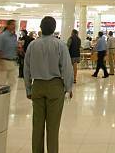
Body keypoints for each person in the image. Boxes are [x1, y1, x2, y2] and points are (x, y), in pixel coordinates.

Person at [24, 16, 73, 153]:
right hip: (55, 86)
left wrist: (28, 88)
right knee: (53, 126)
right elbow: (67, 68)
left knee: (37, 125)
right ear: (54, 29)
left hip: (37, 86)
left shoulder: (33, 45)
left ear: (40, 28)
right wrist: (69, 88)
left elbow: (26, 68)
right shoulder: (60, 44)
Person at [0, 19, 18, 88]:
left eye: (15, 25)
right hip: (3, 61)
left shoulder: (14, 36)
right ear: (8, 25)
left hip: (12, 61)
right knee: (1, 84)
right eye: (12, 24)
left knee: (12, 83)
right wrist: (0, 62)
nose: (14, 26)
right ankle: (0, 98)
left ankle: (8, 98)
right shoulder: (2, 36)